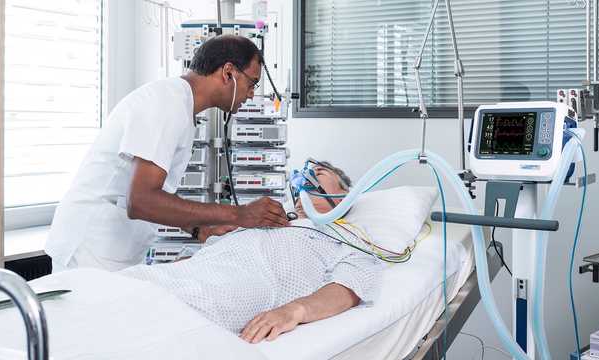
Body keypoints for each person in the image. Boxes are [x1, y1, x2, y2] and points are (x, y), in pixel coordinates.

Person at [45, 35, 288, 272]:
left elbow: (155, 197)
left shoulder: (182, 107)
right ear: (228, 72)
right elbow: (141, 201)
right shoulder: (166, 103)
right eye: (252, 83)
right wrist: (240, 214)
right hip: (90, 249)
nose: (251, 94)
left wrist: (198, 229)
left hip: (112, 249)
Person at [120, 161, 384, 343]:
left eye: (319, 172)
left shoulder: (347, 236)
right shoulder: (273, 217)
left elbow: (350, 286)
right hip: (190, 271)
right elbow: (209, 253)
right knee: (122, 286)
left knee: (154, 313)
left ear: (345, 194)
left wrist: (295, 311)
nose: (307, 175)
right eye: (305, 171)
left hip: (245, 284)